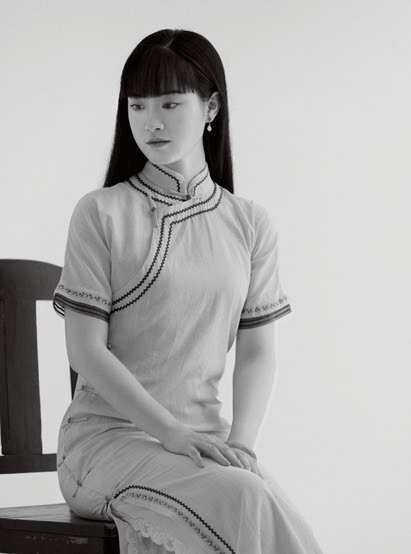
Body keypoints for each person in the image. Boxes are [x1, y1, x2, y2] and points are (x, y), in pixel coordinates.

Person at [54, 28, 323, 554]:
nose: (150, 122)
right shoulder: (100, 213)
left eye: (170, 104)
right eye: (137, 105)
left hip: (205, 447)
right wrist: (170, 432)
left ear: (211, 107)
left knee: (281, 520)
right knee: (245, 501)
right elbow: (84, 350)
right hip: (106, 444)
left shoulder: (249, 223)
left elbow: (257, 351)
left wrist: (241, 444)